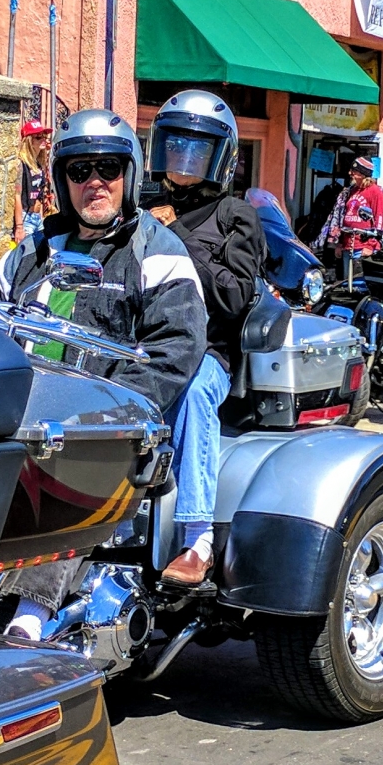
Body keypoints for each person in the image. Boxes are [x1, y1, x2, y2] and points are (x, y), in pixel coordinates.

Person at [0, 107, 206, 420]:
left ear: (129, 174)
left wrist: (106, 412)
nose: (94, 181)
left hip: (100, 437)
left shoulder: (156, 251)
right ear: (63, 180)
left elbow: (172, 351)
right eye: (79, 171)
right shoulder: (33, 250)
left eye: (107, 167)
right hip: (18, 416)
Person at [144, 90, 266, 588]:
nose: (185, 161)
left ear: (221, 157)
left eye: (197, 150)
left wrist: (177, 245)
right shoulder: (143, 206)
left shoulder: (237, 215)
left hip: (204, 350)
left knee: (193, 392)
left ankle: (198, 540)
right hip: (139, 344)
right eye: (176, 147)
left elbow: (236, 296)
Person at [319, 152, 383, 262]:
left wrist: (371, 246)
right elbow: (342, 217)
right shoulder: (351, 190)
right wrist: (339, 244)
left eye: (354, 171)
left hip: (362, 246)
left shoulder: (375, 192)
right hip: (348, 244)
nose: (350, 173)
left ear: (363, 174)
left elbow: (379, 220)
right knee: (348, 278)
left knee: (357, 278)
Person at [17, 118, 54, 238]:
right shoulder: (22, 164)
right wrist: (19, 227)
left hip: (37, 217)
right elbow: (16, 195)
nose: (43, 139)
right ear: (29, 141)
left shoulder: (38, 164)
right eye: (38, 137)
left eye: (44, 136)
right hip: (25, 218)